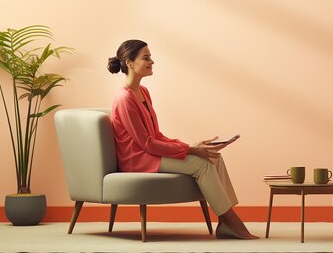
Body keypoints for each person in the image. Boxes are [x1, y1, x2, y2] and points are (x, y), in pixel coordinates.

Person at [107, 39, 258, 240]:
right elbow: (146, 144)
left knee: (214, 157)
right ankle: (231, 221)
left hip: (150, 152)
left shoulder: (143, 92)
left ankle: (225, 221)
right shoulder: (124, 98)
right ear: (129, 63)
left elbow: (156, 135)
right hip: (138, 159)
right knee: (201, 165)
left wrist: (191, 145)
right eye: (146, 58)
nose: (152, 61)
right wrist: (191, 150)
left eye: (151, 57)